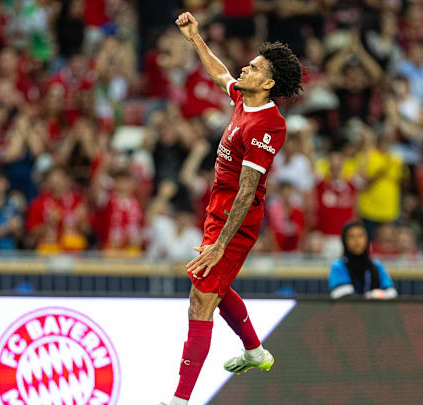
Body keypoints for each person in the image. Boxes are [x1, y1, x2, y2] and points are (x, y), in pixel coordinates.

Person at [161, 12, 302, 405]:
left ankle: (180, 400)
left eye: (254, 67)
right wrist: (195, 38)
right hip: (217, 207)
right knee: (215, 288)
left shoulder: (268, 126)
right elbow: (219, 72)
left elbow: (247, 190)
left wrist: (222, 243)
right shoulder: (242, 96)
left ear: (268, 83)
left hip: (237, 219)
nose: (245, 68)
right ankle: (254, 350)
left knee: (201, 299)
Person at [329, 220, 398, 299]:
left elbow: (392, 293)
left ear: (367, 239)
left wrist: (377, 295)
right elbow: (344, 298)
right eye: (351, 236)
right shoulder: (338, 266)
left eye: (360, 236)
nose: (357, 241)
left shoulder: (376, 265)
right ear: (344, 241)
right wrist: (371, 296)